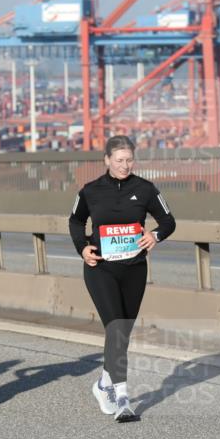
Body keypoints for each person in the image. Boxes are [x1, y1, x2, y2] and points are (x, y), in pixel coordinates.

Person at [68, 135, 176, 422]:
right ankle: (123, 399)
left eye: (129, 160)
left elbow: (168, 221)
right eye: (119, 161)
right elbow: (76, 221)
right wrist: (82, 248)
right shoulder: (90, 191)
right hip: (100, 268)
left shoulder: (145, 189)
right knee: (116, 328)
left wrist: (155, 235)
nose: (125, 165)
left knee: (122, 333)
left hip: (134, 268)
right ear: (106, 160)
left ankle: (103, 384)